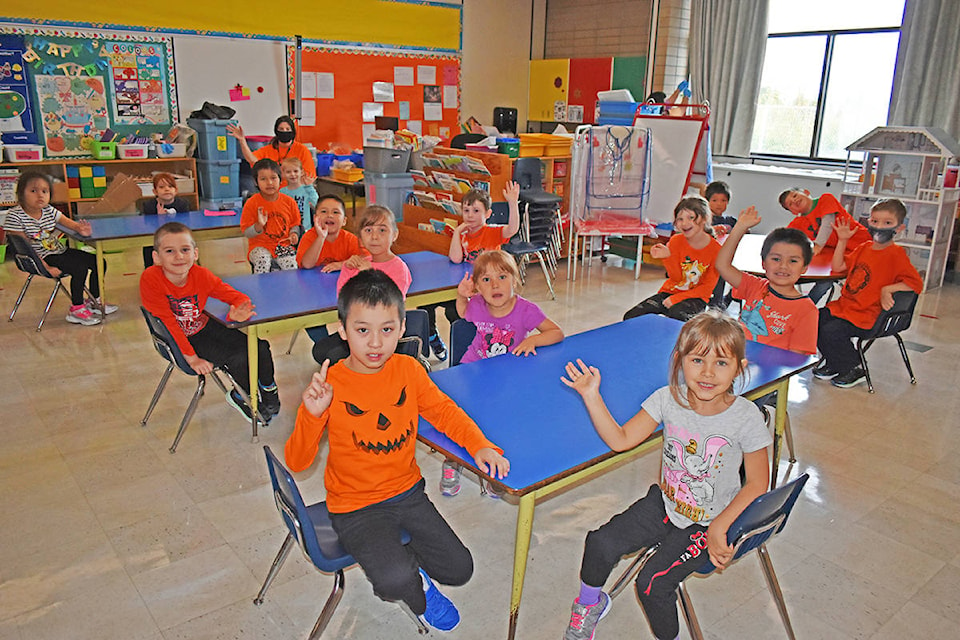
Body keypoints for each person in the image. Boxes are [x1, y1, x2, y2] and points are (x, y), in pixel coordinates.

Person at [286, 269, 510, 632]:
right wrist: (311, 415)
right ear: (342, 329)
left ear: (402, 327)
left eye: (386, 329)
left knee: (460, 569)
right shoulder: (331, 386)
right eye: (362, 330)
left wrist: (480, 444)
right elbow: (297, 461)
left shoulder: (409, 370)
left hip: (407, 493)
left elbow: (445, 412)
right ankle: (416, 584)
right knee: (392, 582)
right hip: (354, 507)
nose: (375, 343)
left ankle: (403, 560)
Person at [560, 309, 770, 640]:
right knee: (600, 543)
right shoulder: (667, 398)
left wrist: (720, 526)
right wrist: (592, 397)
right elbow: (621, 440)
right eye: (698, 360)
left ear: (739, 368)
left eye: (721, 363)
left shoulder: (746, 417)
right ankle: (589, 604)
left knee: (652, 584)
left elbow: (758, 482)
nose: (708, 373)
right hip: (666, 504)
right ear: (679, 360)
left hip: (707, 521)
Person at [439, 250, 564, 498]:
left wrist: (535, 340)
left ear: (515, 281)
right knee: (461, 417)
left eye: (502, 277)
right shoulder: (475, 304)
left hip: (508, 378)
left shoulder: (526, 310)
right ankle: (452, 460)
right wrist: (461, 297)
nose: (495, 284)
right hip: (473, 371)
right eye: (486, 280)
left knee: (500, 421)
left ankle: (492, 465)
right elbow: (463, 313)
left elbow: (556, 332)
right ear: (477, 287)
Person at [139, 222, 280, 421]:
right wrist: (191, 358)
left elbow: (236, 297)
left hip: (203, 326)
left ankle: (268, 389)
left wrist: (236, 314)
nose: (179, 256)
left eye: (185, 250)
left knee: (260, 347)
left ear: (195, 254)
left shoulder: (201, 275)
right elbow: (169, 324)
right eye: (169, 251)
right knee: (239, 357)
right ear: (156, 257)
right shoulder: (150, 279)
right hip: (180, 340)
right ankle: (241, 395)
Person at [814, 198, 923, 389]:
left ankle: (854, 368)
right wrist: (843, 240)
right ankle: (835, 362)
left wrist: (888, 289)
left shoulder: (896, 254)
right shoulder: (864, 248)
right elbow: (839, 266)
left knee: (832, 331)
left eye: (887, 223)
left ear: (899, 228)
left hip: (868, 316)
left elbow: (916, 284)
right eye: (875, 221)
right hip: (846, 308)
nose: (879, 227)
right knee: (814, 319)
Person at [421, 182, 521, 361]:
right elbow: (456, 258)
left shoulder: (491, 232)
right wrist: (457, 232)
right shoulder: (464, 234)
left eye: (476, 211)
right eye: (466, 211)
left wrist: (513, 203)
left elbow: (512, 229)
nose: (470, 216)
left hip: (485, 290)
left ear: (487, 214)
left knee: (455, 313)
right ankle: (433, 338)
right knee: (425, 306)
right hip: (465, 284)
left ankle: (468, 346)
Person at [2, 170, 116, 326]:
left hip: (58, 251)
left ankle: (93, 299)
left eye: (45, 191)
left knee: (99, 261)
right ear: (21, 193)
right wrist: (46, 267)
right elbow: (24, 249)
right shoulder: (15, 216)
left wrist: (81, 229)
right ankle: (76, 309)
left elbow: (70, 223)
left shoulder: (48, 210)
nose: (40, 195)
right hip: (41, 258)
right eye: (33, 191)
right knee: (79, 268)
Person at [310, 205, 418, 366]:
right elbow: (344, 302)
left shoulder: (399, 268)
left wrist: (370, 274)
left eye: (382, 230)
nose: (374, 236)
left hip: (383, 333)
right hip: (360, 328)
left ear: (394, 235)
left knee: (332, 356)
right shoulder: (357, 264)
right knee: (319, 351)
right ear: (360, 237)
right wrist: (347, 269)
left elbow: (388, 306)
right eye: (368, 230)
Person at [714, 207, 818, 355]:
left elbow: (798, 357)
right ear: (763, 263)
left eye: (793, 261)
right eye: (776, 259)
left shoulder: (806, 309)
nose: (783, 266)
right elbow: (722, 265)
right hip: (737, 363)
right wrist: (739, 228)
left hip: (773, 375)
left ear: (804, 268)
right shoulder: (755, 286)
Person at [623, 196, 720, 322]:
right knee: (631, 317)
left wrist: (676, 299)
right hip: (670, 292)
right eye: (680, 219)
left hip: (697, 298)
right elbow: (676, 278)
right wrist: (667, 257)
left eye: (691, 218)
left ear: (704, 219)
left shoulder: (716, 250)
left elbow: (706, 289)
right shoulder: (676, 241)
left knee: (676, 316)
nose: (684, 223)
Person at [778, 187, 871, 304]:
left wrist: (818, 244)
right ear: (793, 212)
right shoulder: (799, 222)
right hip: (837, 253)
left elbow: (828, 222)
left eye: (795, 196)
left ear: (806, 192)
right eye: (790, 204)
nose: (794, 201)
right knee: (826, 279)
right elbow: (785, 237)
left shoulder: (826, 199)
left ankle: (805, 306)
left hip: (861, 246)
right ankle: (805, 306)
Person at [241, 158, 302, 273]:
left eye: (273, 178)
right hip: (259, 247)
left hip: (283, 245)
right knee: (263, 261)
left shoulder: (289, 202)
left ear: (280, 179)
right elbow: (246, 232)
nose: (269, 183)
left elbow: (295, 224)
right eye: (263, 179)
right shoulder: (251, 203)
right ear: (256, 182)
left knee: (292, 265)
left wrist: (294, 234)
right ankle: (261, 290)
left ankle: (289, 290)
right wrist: (259, 225)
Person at [227, 115, 317, 185]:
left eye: (287, 129)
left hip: (295, 192)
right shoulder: (268, 149)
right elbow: (252, 159)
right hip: (272, 192)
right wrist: (242, 140)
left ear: (293, 131)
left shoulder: (302, 150)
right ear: (276, 131)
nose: (284, 131)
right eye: (281, 129)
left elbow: (308, 177)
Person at [295, 194, 366, 271]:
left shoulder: (350, 239)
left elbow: (367, 260)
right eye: (324, 211)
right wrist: (321, 237)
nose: (330, 215)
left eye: (335, 212)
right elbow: (307, 265)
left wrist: (342, 264)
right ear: (315, 218)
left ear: (344, 221)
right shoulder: (309, 236)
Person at [141, 172, 191, 268]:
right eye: (161, 187)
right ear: (155, 191)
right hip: (157, 236)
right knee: (148, 245)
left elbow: (186, 223)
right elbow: (147, 226)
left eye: (170, 186)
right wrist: (159, 219)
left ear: (176, 190)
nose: (167, 189)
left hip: (178, 235)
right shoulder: (149, 205)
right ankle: (149, 269)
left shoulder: (183, 204)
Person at [279, 157, 319, 229]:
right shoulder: (282, 192)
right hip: (288, 229)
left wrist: (310, 187)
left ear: (302, 172)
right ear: (283, 174)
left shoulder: (307, 189)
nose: (292, 174)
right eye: (288, 172)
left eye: (295, 171)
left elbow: (317, 204)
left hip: (305, 229)